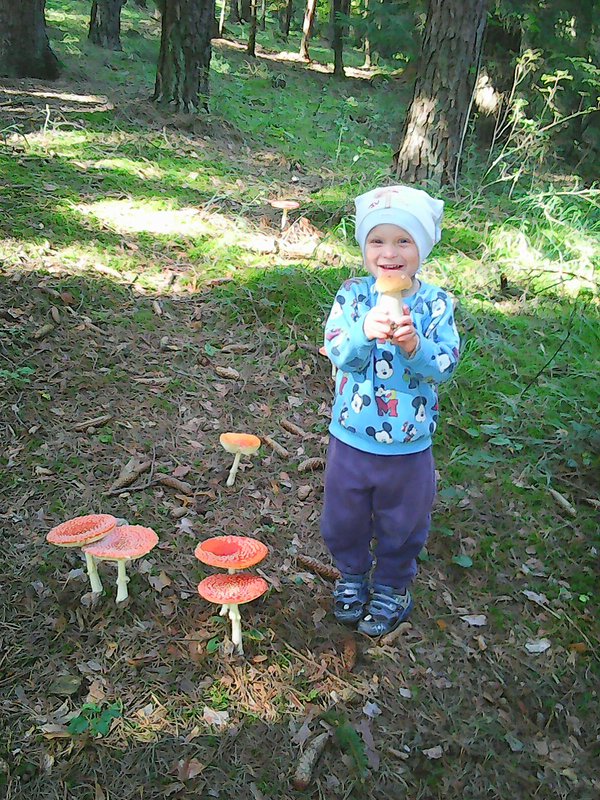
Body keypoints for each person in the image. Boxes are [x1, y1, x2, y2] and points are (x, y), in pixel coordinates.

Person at [321, 185, 460, 637]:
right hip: (351, 439)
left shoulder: (436, 304)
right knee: (344, 518)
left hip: (409, 446)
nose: (390, 252)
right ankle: (352, 576)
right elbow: (339, 350)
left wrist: (414, 345)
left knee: (404, 522)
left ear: (423, 247)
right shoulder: (352, 295)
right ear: (364, 248)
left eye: (404, 241)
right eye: (377, 241)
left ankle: (393, 586)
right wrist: (365, 331)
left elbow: (444, 365)